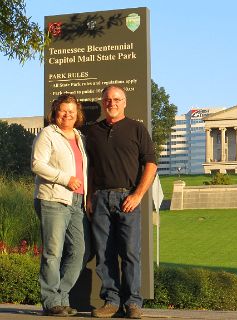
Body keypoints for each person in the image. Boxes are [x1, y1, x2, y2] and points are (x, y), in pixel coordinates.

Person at [86, 85, 157, 319]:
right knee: (104, 253)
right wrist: (89, 196)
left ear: (124, 102)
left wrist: (137, 195)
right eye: (107, 99)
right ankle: (111, 301)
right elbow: (91, 168)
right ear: (103, 102)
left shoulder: (137, 129)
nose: (112, 103)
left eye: (117, 99)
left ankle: (133, 303)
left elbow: (150, 164)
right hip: (100, 199)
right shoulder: (93, 132)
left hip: (128, 198)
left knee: (130, 252)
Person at [31, 94, 89, 317]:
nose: (67, 115)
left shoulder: (79, 136)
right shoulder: (48, 134)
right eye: (63, 111)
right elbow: (37, 164)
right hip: (53, 199)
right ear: (55, 113)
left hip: (77, 201)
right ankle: (51, 301)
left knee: (80, 251)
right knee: (53, 253)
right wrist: (65, 178)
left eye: (72, 111)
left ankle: (61, 296)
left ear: (78, 114)